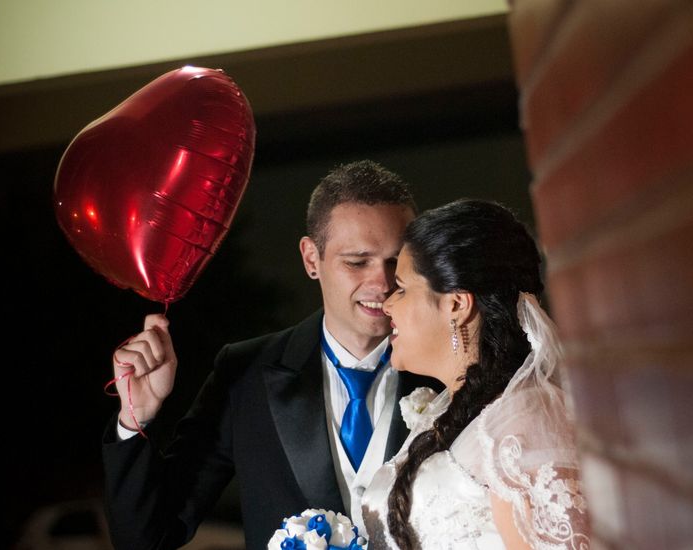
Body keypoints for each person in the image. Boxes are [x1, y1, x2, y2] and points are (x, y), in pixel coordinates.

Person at [101, 160, 440, 550]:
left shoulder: (447, 373)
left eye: (395, 261)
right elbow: (147, 537)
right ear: (312, 259)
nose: (380, 282)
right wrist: (134, 418)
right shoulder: (244, 375)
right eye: (357, 262)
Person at [361, 200, 590, 549]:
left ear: (456, 304)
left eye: (403, 289)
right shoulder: (451, 411)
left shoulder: (522, 425)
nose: (388, 304)